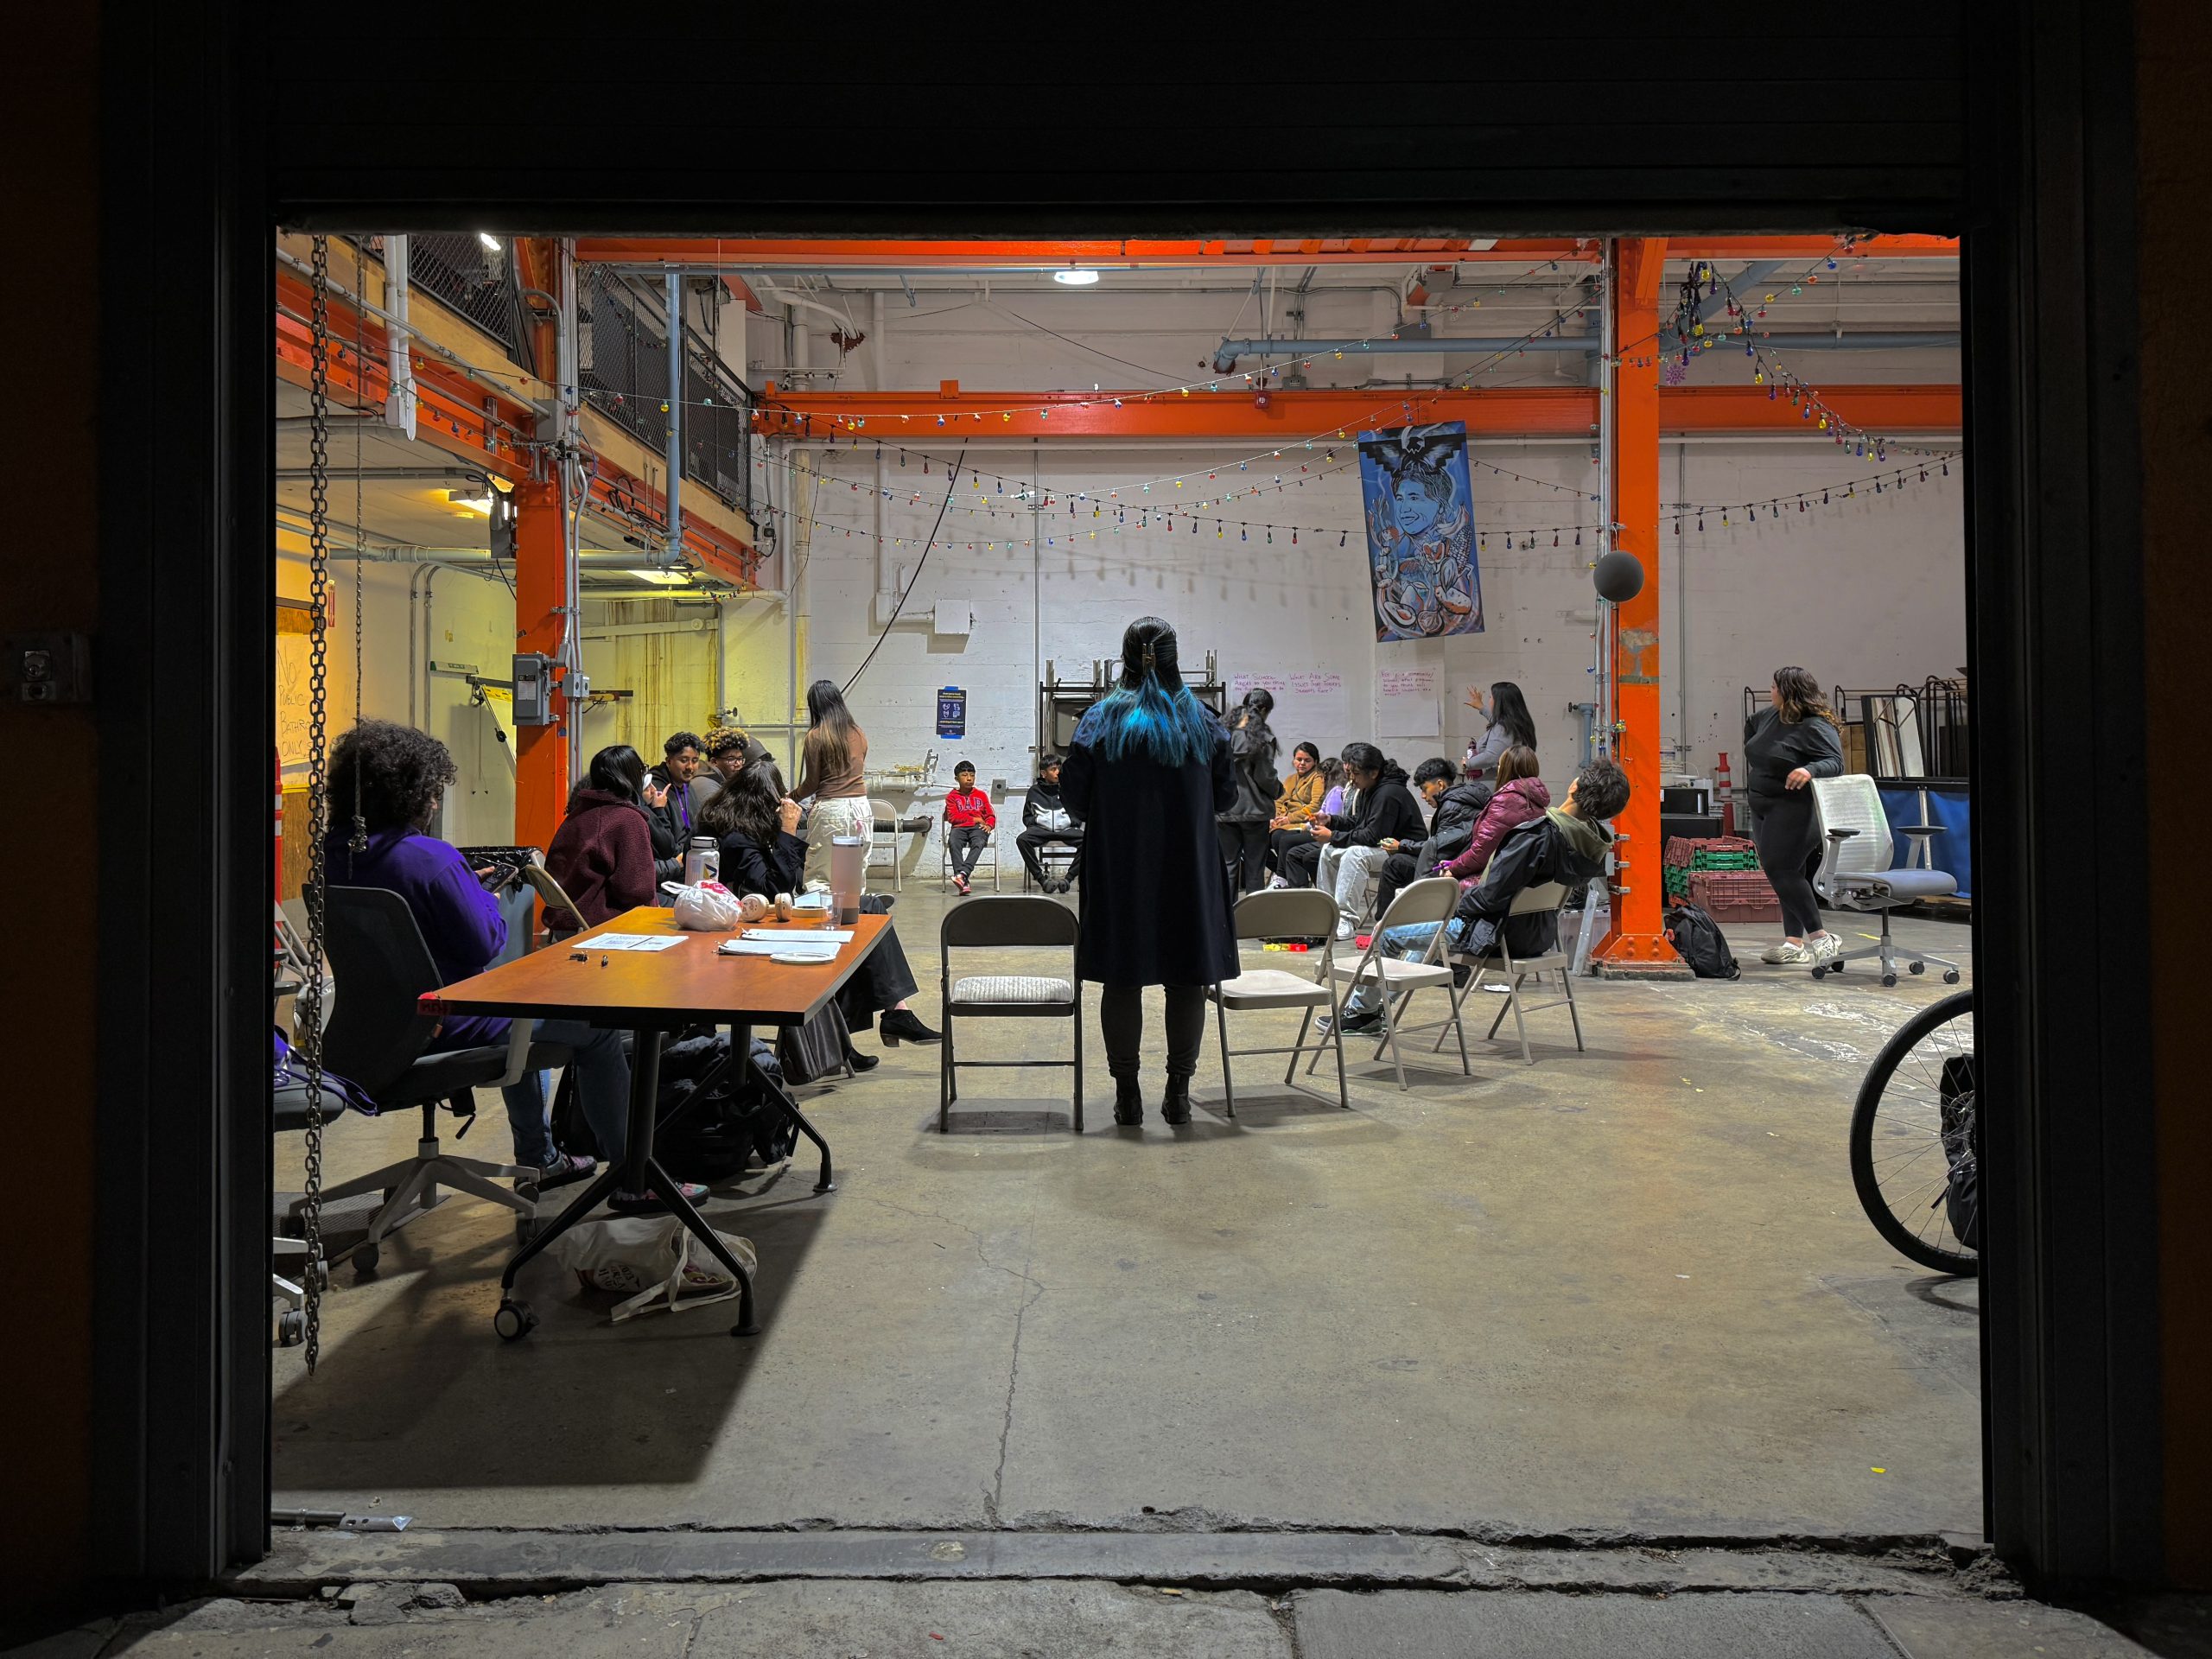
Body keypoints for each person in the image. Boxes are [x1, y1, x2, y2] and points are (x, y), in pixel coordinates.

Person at [321, 720, 652, 1194]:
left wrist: (461, 890)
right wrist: (481, 897)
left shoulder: (334, 854)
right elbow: (485, 944)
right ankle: (632, 1178)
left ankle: (543, 1157)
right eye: (433, 791)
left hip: (365, 1031)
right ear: (412, 793)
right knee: (594, 1029)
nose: (435, 802)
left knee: (518, 1014)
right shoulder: (433, 859)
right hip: (444, 1020)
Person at [1058, 617, 1237, 1126]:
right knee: (1187, 981)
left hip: (1120, 869)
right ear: (1175, 656)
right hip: (1191, 870)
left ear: (1125, 655)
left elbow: (1075, 798)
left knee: (1122, 980)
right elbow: (1226, 795)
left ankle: (1127, 1095)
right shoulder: (1205, 722)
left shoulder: (1098, 721)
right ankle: (1178, 1093)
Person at [1328, 758, 1628, 1033]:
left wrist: (1453, 904)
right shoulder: (1591, 845)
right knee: (1425, 934)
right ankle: (1373, 1011)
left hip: (1494, 934)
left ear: (1575, 787)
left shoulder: (1536, 837)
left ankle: (1361, 1013)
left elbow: (1490, 896)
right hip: (1537, 935)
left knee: (1388, 932)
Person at [697, 765, 938, 1065]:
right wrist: (786, 830)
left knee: (866, 908)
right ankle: (877, 1024)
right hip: (754, 928)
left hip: (778, 914)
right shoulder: (737, 839)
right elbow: (773, 887)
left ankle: (885, 1018)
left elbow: (791, 880)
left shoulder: (749, 829)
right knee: (853, 928)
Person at [1745, 665, 1847, 963]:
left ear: (1788, 692)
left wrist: (1807, 769)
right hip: (1762, 806)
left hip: (1794, 808)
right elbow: (1752, 734)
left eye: (1774, 687)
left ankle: (1821, 937)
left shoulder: (1815, 726)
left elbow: (1835, 762)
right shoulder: (1767, 717)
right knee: (1787, 872)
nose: (1770, 692)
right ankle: (1793, 943)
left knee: (1781, 869)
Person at [1281, 742, 1427, 938]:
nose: (1350, 779)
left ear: (1373, 772)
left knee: (1354, 854)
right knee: (1328, 850)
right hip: (1381, 846)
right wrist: (1331, 821)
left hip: (1402, 851)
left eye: (1355, 774)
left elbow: (1372, 836)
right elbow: (1360, 822)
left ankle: (1346, 919)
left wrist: (1332, 835)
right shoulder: (1371, 787)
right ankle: (1328, 914)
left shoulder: (1388, 793)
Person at [544, 745, 660, 927]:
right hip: (599, 925)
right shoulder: (627, 819)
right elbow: (637, 890)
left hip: (567, 919)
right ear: (632, 776)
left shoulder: (580, 812)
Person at [1372, 757, 1487, 913]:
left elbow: (1441, 846)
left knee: (1395, 865)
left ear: (1440, 785)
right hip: (1455, 861)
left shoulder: (1453, 806)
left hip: (1452, 866)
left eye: (1424, 789)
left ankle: (1385, 926)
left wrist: (1401, 846)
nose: (1423, 796)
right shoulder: (1461, 799)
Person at [791, 679, 875, 887]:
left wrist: (790, 797)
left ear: (815, 707)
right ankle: (853, 917)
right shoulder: (858, 732)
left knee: (820, 877)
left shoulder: (816, 735)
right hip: (861, 809)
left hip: (831, 810)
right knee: (853, 878)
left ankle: (821, 920)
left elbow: (811, 784)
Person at [1443, 746, 1549, 884]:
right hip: (1519, 878)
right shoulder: (1536, 802)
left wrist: (1453, 868)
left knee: (1438, 887)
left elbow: (1481, 853)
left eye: (1500, 765)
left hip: (1494, 881)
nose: (1498, 769)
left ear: (1507, 769)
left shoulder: (1505, 801)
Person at [1217, 688, 1281, 894]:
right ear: (1263, 710)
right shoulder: (1262, 736)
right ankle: (1253, 921)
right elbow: (1265, 776)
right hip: (1255, 812)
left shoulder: (1222, 732)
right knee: (1255, 869)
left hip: (1225, 809)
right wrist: (1278, 790)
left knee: (1228, 866)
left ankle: (1226, 919)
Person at [641, 730, 721, 882]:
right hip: (669, 871)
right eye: (684, 760)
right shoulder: (656, 790)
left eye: (695, 760)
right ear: (669, 761)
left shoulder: (688, 787)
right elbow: (664, 846)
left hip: (690, 861)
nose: (690, 766)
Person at [1018, 753, 1084, 893]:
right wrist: (1036, 823)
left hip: (1067, 830)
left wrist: (1072, 822)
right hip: (1041, 830)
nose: (1057, 772)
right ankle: (1042, 880)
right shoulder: (1034, 791)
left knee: (1089, 840)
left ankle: (1068, 880)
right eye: (1053, 769)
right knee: (1022, 840)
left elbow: (1078, 811)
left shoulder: (1069, 789)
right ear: (1043, 773)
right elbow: (1027, 816)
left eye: (1059, 769)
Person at [1265, 741, 1327, 878]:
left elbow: (1315, 805)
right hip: (1283, 821)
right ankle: (1284, 874)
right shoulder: (1290, 779)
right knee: (1258, 842)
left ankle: (1286, 876)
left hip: (1301, 822)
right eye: (1299, 759)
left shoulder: (1317, 778)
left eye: (1307, 760)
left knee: (1278, 837)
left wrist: (1289, 818)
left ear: (1315, 762)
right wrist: (1275, 817)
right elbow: (1279, 800)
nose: (1302, 763)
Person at [1462, 680, 1537, 789]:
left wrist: (1467, 763)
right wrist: (1481, 708)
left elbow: (1491, 757)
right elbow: (1496, 721)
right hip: (1511, 784)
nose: (1490, 700)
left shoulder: (1503, 729)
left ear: (1499, 702)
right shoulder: (1518, 724)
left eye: (1491, 697)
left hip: (1495, 786)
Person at [942, 760, 996, 894]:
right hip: (959, 828)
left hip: (978, 828)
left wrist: (989, 825)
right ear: (957, 778)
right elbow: (952, 818)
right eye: (964, 775)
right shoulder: (952, 797)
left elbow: (990, 815)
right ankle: (963, 881)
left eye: (972, 775)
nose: (969, 778)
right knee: (954, 842)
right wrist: (974, 819)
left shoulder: (981, 795)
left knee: (979, 842)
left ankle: (962, 875)